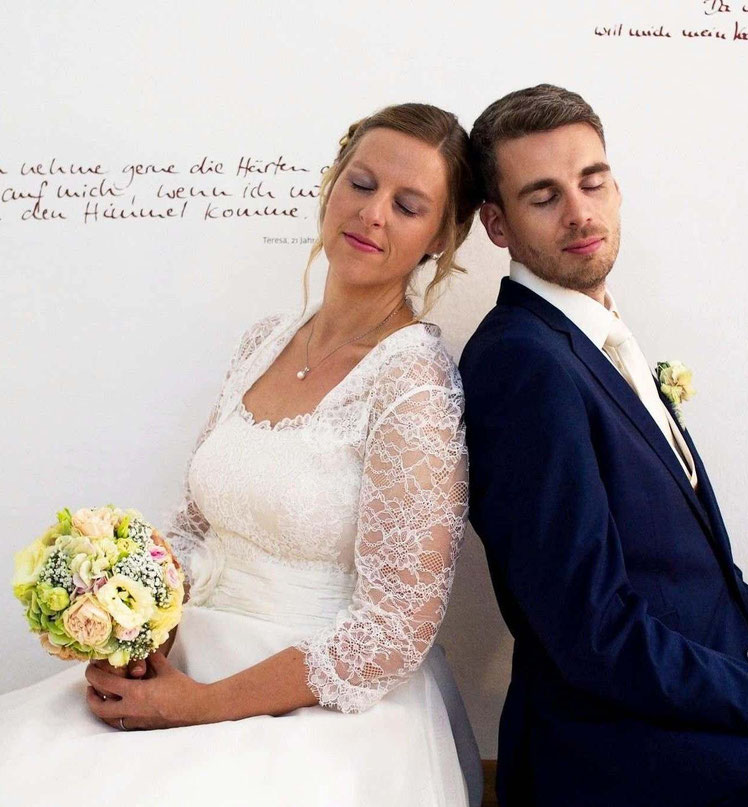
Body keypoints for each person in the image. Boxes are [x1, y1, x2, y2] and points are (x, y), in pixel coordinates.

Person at [0, 102, 484, 807]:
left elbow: (392, 631)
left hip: (310, 703)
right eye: (361, 183)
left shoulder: (412, 382)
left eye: (407, 205)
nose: (372, 213)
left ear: (439, 238)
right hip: (189, 657)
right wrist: (141, 628)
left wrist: (195, 705)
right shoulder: (265, 339)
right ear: (331, 184)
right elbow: (196, 528)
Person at [458, 83, 748, 806]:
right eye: (543, 196)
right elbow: (594, 631)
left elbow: (700, 578)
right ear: (497, 223)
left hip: (719, 682)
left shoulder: (594, 338)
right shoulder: (521, 362)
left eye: (592, 180)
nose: (580, 211)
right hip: (618, 742)